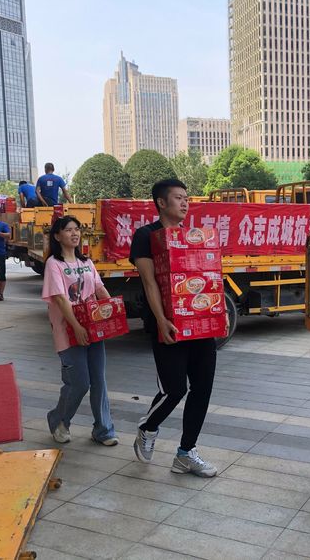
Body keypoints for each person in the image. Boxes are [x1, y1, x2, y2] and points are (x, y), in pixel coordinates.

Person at [129, 178, 218, 478]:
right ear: (161, 202)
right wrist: (161, 319)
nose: (184, 203)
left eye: (186, 198)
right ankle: (148, 427)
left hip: (200, 324)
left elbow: (206, 275)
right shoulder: (146, 235)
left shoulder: (192, 237)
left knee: (202, 388)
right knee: (174, 389)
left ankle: (185, 454)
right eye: (178, 198)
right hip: (168, 326)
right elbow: (149, 282)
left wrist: (216, 313)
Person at [43, 215, 118, 446]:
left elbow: (99, 288)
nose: (74, 233)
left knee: (99, 381)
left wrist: (112, 311)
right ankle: (59, 421)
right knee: (79, 383)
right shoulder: (53, 264)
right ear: (57, 236)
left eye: (77, 229)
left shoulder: (86, 261)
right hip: (68, 331)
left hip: (93, 329)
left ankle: (104, 430)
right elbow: (60, 298)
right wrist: (76, 327)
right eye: (68, 230)